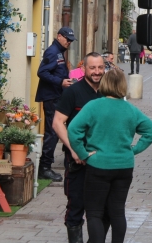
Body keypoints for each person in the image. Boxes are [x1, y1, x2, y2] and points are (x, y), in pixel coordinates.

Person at [68, 68, 152, 243]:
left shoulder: (93, 106)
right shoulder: (130, 109)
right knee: (117, 211)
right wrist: (134, 150)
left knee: (94, 213)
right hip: (124, 166)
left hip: (98, 165)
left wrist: (83, 154)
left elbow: (73, 130)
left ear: (104, 84)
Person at [52, 52, 106, 243]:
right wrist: (74, 149)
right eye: (92, 68)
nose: (97, 72)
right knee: (76, 205)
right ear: (83, 69)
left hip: (101, 161)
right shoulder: (73, 92)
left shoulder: (108, 91)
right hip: (77, 160)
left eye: (100, 67)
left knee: (101, 208)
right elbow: (58, 123)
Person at [35, 26, 77, 182]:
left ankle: (53, 163)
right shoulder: (53, 51)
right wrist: (60, 82)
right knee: (52, 131)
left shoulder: (59, 51)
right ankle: (45, 168)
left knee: (56, 130)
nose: (69, 43)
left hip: (56, 95)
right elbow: (42, 72)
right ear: (59, 36)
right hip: (51, 97)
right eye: (67, 39)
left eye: (71, 40)